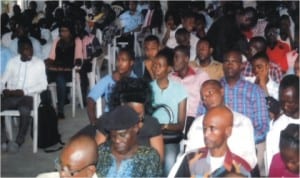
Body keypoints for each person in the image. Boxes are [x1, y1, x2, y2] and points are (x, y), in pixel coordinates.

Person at [186, 80, 257, 170]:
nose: (207, 99)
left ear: (222, 91)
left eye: (210, 93)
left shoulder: (242, 121)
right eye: (203, 98)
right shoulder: (197, 124)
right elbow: (190, 154)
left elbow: (250, 159)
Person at [220, 49, 270, 176]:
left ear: (242, 66)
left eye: (234, 61)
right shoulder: (214, 89)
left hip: (247, 145)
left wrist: (241, 140)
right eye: (226, 61)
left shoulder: (254, 90)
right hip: (218, 144)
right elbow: (201, 119)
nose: (229, 65)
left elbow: (263, 126)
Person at [173, 106, 252, 177]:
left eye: (212, 129)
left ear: (228, 131)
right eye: (204, 128)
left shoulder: (240, 168)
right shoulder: (191, 158)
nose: (206, 134)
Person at [1, 37, 47, 153]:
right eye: (25, 49)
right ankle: (3, 140)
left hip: (29, 97)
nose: (29, 52)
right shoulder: (13, 62)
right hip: (12, 96)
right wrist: (3, 90)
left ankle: (18, 141)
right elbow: (2, 81)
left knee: (24, 109)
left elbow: (43, 85)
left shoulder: (38, 63)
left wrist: (24, 91)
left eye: (30, 49)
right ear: (19, 50)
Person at [151, 48, 188, 176]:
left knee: (169, 164)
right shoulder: (147, 88)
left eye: (160, 66)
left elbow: (181, 124)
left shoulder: (179, 90)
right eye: (154, 65)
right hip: (150, 134)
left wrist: (165, 126)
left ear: (169, 69)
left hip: (169, 137)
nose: (155, 68)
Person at [96, 105, 161, 177]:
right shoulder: (102, 151)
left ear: (136, 128)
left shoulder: (149, 157)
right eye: (113, 136)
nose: (117, 140)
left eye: (122, 135)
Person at [87, 48, 137, 125]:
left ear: (131, 62)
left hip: (128, 121)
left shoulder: (136, 81)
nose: (119, 63)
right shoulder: (109, 79)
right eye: (118, 60)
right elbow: (91, 99)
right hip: (109, 118)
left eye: (123, 60)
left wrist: (120, 81)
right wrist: (93, 120)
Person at [45, 19, 83, 119]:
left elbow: (78, 58)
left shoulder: (77, 41)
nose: (63, 33)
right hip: (57, 68)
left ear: (70, 31)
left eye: (66, 31)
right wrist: (46, 63)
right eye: (61, 30)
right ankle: (45, 107)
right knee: (43, 77)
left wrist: (77, 63)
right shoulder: (57, 41)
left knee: (60, 79)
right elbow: (51, 57)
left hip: (69, 71)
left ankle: (60, 110)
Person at [170, 45, 209, 136]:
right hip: (175, 119)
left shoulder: (200, 75)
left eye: (176, 57)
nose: (173, 61)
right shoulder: (170, 78)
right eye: (173, 58)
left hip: (194, 118)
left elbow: (207, 100)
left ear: (186, 59)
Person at [265, 75, 299, 173]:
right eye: (282, 101)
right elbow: (272, 163)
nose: (285, 106)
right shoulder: (278, 127)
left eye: (290, 102)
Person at [247, 52, 280, 120]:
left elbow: (273, 115)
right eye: (254, 68)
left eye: (259, 67)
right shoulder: (247, 81)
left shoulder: (276, 88)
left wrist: (264, 87)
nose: (256, 70)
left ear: (267, 66)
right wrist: (255, 85)